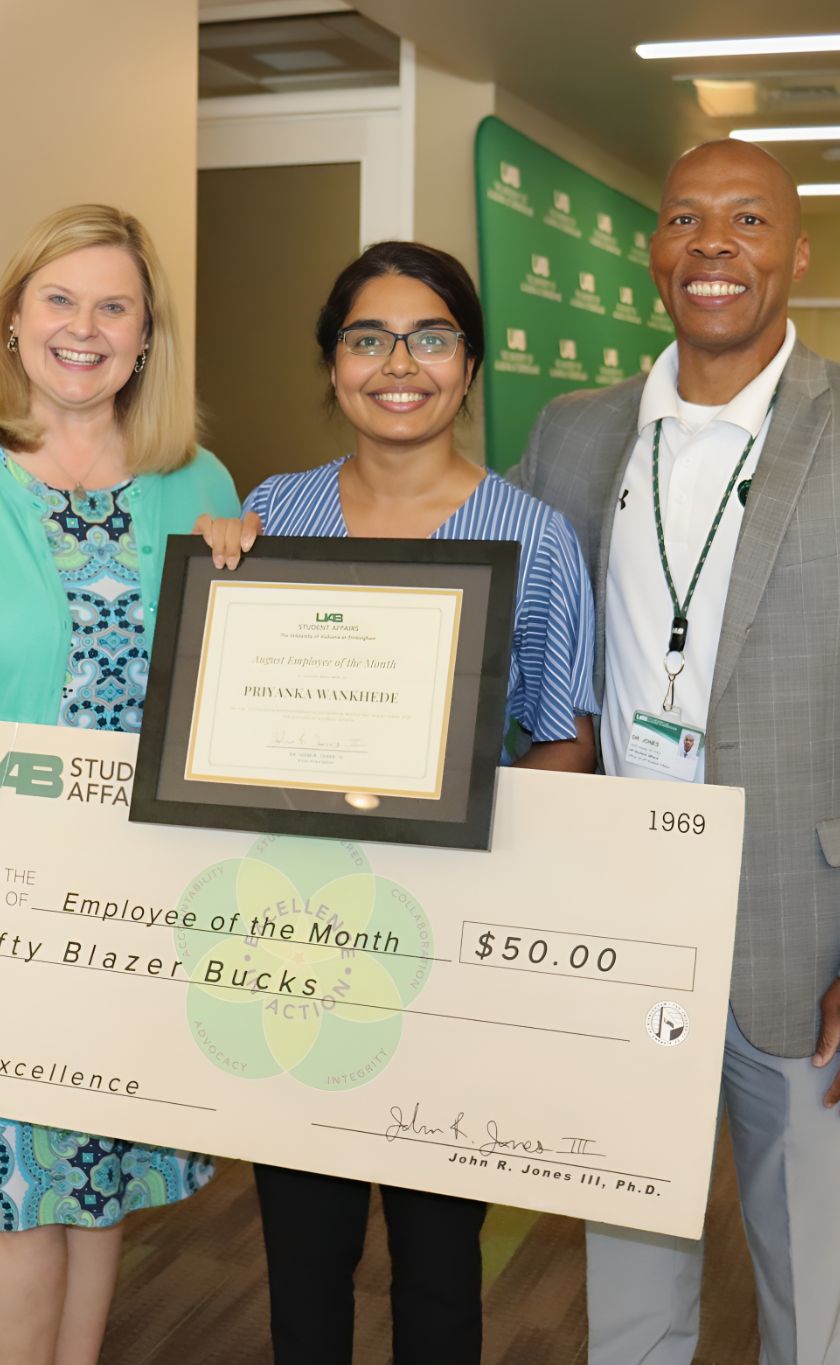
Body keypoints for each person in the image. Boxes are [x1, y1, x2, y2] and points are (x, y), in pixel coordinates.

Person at [507, 139, 840, 1364]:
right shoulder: (572, 434)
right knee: (625, 1261)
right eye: (685, 219)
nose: (713, 245)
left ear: (794, 254)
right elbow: (484, 601)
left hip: (811, 929)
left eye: (747, 221)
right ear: (654, 253)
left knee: (812, 1282)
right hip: (618, 914)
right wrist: (274, 533)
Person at [198, 240, 599, 1364]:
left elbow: (565, 734)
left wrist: (462, 831)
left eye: (428, 337)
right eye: (366, 338)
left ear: (467, 367)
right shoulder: (268, 512)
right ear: (331, 366)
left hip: (443, 941)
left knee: (436, 1257)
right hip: (298, 929)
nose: (397, 364)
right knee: (302, 1250)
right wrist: (217, 567)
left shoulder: (532, 535)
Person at [0, 204, 237, 1365]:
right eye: (58, 299)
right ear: (14, 323)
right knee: (8, 1187)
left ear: (145, 333)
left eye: (113, 304)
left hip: (137, 898)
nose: (84, 326)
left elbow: (224, 702)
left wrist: (260, 588)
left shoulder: (195, 478)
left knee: (96, 1173)